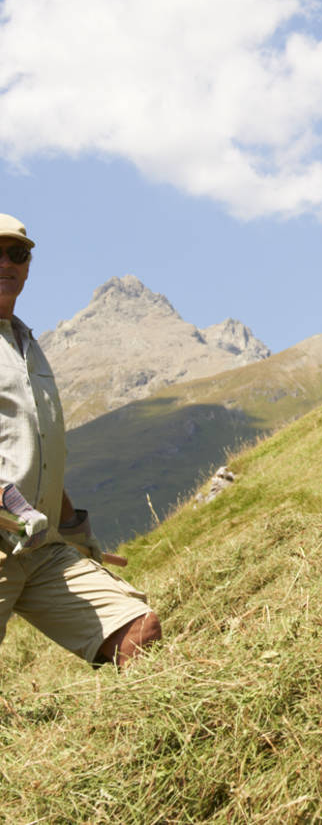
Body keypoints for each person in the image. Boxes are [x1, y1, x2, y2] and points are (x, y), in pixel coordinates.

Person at [0, 213, 162, 667]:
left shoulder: (29, 345)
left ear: (28, 266)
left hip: (39, 545)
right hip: (4, 533)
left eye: (17, 254)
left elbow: (36, 458)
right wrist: (12, 505)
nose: (6, 263)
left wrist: (73, 527)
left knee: (137, 631)